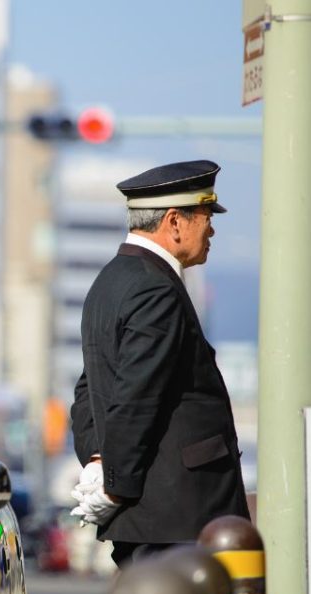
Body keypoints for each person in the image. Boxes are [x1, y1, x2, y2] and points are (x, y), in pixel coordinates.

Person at [68, 159, 251, 567]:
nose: (212, 230)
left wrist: (98, 460)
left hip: (153, 519)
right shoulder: (156, 288)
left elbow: (90, 389)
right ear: (174, 221)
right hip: (179, 517)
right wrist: (115, 485)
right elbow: (137, 396)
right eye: (206, 217)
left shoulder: (111, 280)